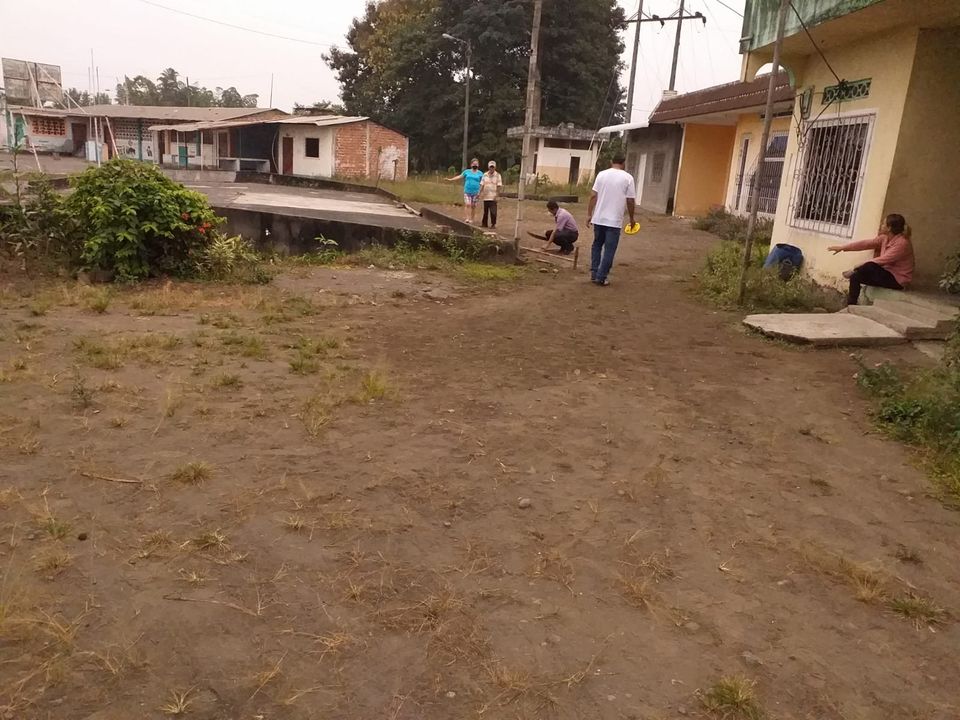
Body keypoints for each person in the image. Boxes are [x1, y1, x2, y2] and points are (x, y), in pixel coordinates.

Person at [828, 213, 914, 305]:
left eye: (883, 224)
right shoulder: (885, 238)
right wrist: (843, 248)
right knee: (855, 277)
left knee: (870, 265)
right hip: (886, 274)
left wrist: (857, 266)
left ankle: (853, 271)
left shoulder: (902, 243)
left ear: (889, 228)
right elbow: (866, 244)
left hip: (897, 281)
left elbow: (883, 260)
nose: (881, 225)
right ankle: (851, 304)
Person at [586, 154, 636, 285]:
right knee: (609, 249)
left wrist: (589, 214)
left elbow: (593, 196)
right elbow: (630, 200)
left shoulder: (601, 175)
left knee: (597, 245)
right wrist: (632, 218)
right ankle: (601, 277)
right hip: (614, 221)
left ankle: (594, 273)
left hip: (598, 219)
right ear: (623, 163)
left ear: (611, 161)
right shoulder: (628, 178)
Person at [447, 158, 484, 223]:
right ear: (471, 164)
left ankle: (472, 219)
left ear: (478, 165)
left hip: (476, 192)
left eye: (476, 164)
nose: (475, 165)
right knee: (468, 204)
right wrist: (451, 179)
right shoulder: (467, 172)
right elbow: (460, 176)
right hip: (467, 191)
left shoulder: (480, 173)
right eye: (474, 164)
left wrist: (481, 191)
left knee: (473, 206)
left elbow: (483, 182)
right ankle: (467, 218)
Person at [478, 160, 503, 230]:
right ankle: (484, 223)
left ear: (495, 167)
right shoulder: (485, 175)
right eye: (490, 167)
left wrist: (497, 195)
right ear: (488, 167)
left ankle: (493, 224)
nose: (491, 168)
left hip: (493, 196)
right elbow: (482, 184)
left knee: (493, 211)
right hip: (486, 195)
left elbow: (499, 186)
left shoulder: (498, 175)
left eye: (493, 167)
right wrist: (479, 192)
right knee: (485, 211)